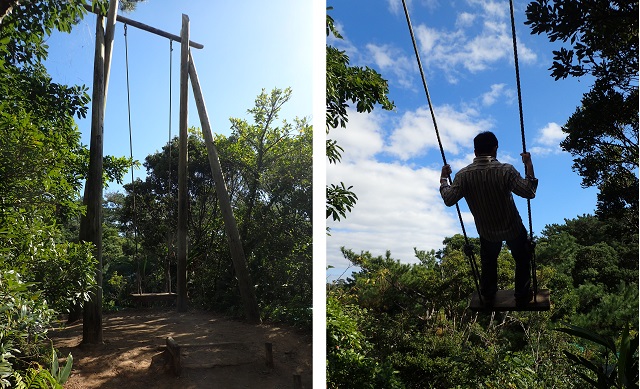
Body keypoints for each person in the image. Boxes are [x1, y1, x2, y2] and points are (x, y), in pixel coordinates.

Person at [439, 131, 538, 307]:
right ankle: (522, 294)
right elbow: (529, 192)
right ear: (495, 149)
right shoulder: (505, 170)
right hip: (512, 227)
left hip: (486, 231)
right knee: (522, 258)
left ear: (475, 152)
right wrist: (528, 164)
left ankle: (488, 293)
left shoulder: (463, 175)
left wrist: (444, 179)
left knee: (489, 261)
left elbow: (449, 200)